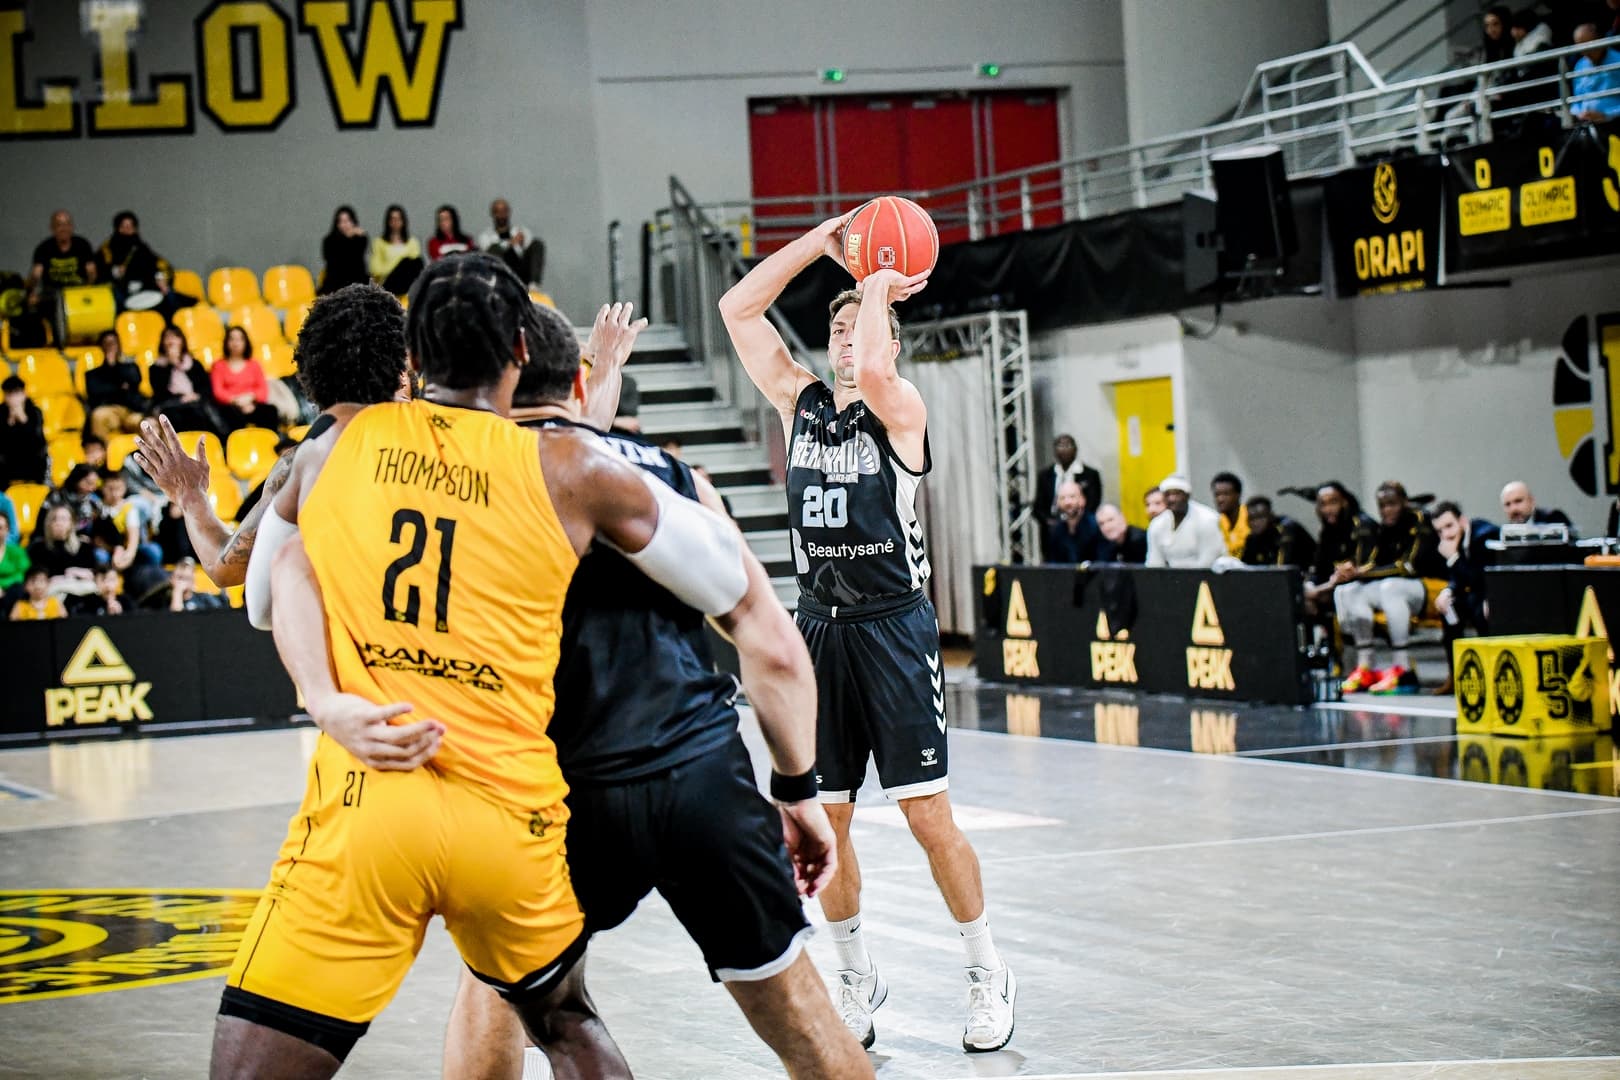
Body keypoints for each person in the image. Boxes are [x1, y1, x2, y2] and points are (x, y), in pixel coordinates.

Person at [211, 252, 804, 1079]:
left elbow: (273, 580)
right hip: (512, 812)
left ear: (414, 365)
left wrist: (323, 697)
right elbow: (737, 596)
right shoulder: (565, 470)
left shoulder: (337, 448)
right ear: (521, 355)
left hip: (370, 801)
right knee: (566, 1024)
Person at [443, 300, 871, 1080]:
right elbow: (774, 648)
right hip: (699, 777)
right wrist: (799, 794)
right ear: (577, 378)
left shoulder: (468, 489)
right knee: (803, 1020)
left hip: (558, 795)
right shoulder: (677, 477)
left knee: (492, 988)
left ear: (499, 384)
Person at [720, 216, 1017, 1055]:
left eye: (861, 328)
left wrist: (882, 280)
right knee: (831, 822)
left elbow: (882, 363)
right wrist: (822, 243)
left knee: (927, 817)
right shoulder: (801, 403)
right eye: (837, 329)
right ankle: (857, 973)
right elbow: (738, 309)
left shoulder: (901, 409)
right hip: (820, 627)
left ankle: (985, 969)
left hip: (894, 627)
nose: (848, 341)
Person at [136, 283, 413, 592]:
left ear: (314, 374)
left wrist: (191, 496)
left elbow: (224, 569)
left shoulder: (301, 465)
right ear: (404, 368)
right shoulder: (448, 441)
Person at [1336, 481, 1443, 695]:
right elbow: (1374, 564)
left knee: (1390, 587)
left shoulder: (1420, 519)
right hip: (1403, 589)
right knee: (1349, 590)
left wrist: (1364, 573)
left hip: (1436, 588)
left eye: (1392, 504)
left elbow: (1409, 566)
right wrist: (1352, 571)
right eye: (1382, 505)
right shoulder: (1385, 529)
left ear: (1404, 502)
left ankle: (1402, 668)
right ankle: (1366, 666)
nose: (1387, 510)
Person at [1430, 500, 1499, 694]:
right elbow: (1458, 579)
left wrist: (1453, 558)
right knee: (1448, 609)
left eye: (1449, 526)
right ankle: (1456, 674)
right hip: (1474, 593)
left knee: (1480, 609)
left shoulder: (1485, 534)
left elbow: (1479, 577)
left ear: (1462, 520)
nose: (1446, 534)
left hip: (1491, 592)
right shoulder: (1452, 542)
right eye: (1439, 530)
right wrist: (1448, 591)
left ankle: (1491, 671)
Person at [98, 210, 194, 319]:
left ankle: (175, 327)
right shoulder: (107, 249)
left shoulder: (142, 248)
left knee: (169, 294)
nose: (127, 230)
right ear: (118, 228)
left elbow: (161, 266)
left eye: (131, 226)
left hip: (148, 289)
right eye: (124, 226)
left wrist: (161, 279)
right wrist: (115, 272)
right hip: (123, 291)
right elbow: (100, 272)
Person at [27, 210, 99, 344]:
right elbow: (36, 274)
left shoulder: (82, 245)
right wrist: (32, 292)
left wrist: (87, 290)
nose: (63, 228)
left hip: (77, 291)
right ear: (52, 228)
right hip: (52, 292)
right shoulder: (44, 248)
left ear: (72, 227)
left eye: (67, 224)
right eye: (59, 225)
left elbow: (92, 273)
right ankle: (55, 343)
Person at [1305, 482, 1375, 619]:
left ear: (1344, 502)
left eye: (1333, 502)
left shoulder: (1362, 525)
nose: (1328, 509)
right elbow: (1319, 569)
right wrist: (1310, 584)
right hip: (1334, 586)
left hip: (1365, 585)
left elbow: (1362, 569)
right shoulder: (1327, 532)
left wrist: (1321, 588)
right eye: (1323, 504)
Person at [150, 325, 222, 435]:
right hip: (172, 405)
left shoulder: (194, 364)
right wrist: (171, 363)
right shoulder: (156, 368)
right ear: (162, 343)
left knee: (204, 411)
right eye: (167, 337)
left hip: (195, 402)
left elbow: (206, 388)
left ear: (182, 341)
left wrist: (195, 395)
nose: (171, 341)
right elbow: (160, 393)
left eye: (175, 337)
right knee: (175, 415)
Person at [1034, 434, 1102, 549]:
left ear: (1075, 449)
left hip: (1082, 527)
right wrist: (1049, 521)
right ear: (1054, 451)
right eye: (1060, 446)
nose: (1064, 449)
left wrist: (1077, 521)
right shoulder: (1045, 475)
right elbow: (1038, 506)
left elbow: (1094, 502)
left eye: (1068, 445)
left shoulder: (1090, 474)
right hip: (1052, 529)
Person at [210, 327, 281, 433]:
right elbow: (218, 392)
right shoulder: (218, 365)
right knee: (229, 415)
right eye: (232, 339)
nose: (235, 343)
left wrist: (250, 398)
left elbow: (263, 391)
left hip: (252, 404)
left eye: (239, 339)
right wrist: (236, 401)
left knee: (270, 410)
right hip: (231, 407)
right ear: (226, 342)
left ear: (245, 342)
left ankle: (271, 444)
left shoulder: (254, 364)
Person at [1144, 475, 1225, 569]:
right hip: (1170, 579)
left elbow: (1207, 563)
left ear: (1187, 496)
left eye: (1177, 494)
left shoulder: (1207, 519)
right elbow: (1154, 563)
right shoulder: (1157, 524)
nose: (1172, 499)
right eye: (1167, 494)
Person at [91, 470, 161, 572]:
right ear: (103, 488)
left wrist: (127, 557)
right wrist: (111, 549)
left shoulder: (128, 508)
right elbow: (96, 539)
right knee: (99, 555)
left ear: (124, 488)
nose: (114, 493)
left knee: (153, 550)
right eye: (110, 489)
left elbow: (133, 540)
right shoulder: (97, 508)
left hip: (126, 548)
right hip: (107, 548)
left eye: (118, 489)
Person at [85, 330, 150, 440]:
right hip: (108, 411)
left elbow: (135, 381)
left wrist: (114, 366)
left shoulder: (130, 367)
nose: (110, 346)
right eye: (107, 343)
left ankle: (154, 455)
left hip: (130, 411)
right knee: (98, 416)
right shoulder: (92, 374)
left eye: (113, 342)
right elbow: (95, 391)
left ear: (119, 345)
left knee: (147, 423)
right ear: (101, 347)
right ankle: (103, 456)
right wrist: (120, 387)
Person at [26, 504, 96, 595]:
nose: (59, 523)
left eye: (64, 519)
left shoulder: (84, 547)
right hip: (51, 592)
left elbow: (91, 574)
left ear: (72, 523)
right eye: (54, 519)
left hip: (79, 592)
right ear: (48, 523)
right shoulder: (38, 548)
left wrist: (75, 571)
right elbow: (36, 576)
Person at [479, 198, 546, 288]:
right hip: (502, 273)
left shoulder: (521, 231)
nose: (501, 214)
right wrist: (510, 243)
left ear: (509, 212)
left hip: (522, 272)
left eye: (504, 210)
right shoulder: (485, 236)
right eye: (497, 211)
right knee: (494, 250)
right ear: (492, 214)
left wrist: (522, 243)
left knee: (537, 244)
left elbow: (532, 251)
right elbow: (488, 253)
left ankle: (534, 286)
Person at [1240, 495, 1316, 569]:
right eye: (1251, 519)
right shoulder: (1252, 539)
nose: (1255, 523)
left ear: (1271, 516)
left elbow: (1281, 568)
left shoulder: (1286, 529)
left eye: (1260, 517)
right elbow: (1245, 568)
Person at [1, 375, 48, 486]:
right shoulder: (1, 413)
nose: (13, 398)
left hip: (32, 461)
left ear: (23, 394)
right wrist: (9, 423)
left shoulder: (34, 412)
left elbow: (38, 441)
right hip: (8, 463)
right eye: (9, 394)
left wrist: (23, 419)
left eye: (16, 393)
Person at [369, 204, 424, 295]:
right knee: (405, 261)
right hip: (388, 283)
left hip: (407, 284)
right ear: (388, 221)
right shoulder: (379, 242)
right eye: (392, 219)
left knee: (414, 261)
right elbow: (376, 269)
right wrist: (395, 267)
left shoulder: (412, 242)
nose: (395, 222)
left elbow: (416, 267)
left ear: (403, 221)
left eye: (398, 219)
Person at [1571, 23, 1620, 122]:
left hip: (1614, 121)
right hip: (1585, 123)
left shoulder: (1618, 61)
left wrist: (1607, 115)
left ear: (1600, 39)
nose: (1586, 52)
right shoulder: (1580, 65)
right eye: (1581, 48)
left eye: (1588, 46)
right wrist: (1579, 113)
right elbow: (1576, 101)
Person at [41, 464, 104, 539]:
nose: (92, 488)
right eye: (88, 482)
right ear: (76, 478)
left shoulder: (94, 503)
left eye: (94, 484)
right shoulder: (55, 496)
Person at [1044, 480, 1100, 564]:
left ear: (1082, 500)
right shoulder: (1056, 531)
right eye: (1062, 498)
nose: (1067, 502)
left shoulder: (1096, 527)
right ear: (1058, 503)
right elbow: (1053, 565)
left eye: (1072, 497)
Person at [319, 205, 370, 295]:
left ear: (353, 222)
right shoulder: (329, 241)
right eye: (341, 221)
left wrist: (356, 237)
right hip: (335, 283)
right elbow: (336, 264)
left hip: (357, 282)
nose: (345, 224)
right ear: (337, 224)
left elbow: (357, 262)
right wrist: (347, 239)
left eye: (347, 221)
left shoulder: (360, 239)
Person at [1500, 480, 1575, 531]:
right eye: (1507, 504)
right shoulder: (1507, 532)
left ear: (1531, 501)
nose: (1513, 508)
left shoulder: (1553, 517)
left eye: (1518, 501)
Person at [1211, 472, 1249, 557]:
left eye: (1226, 494)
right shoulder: (1217, 522)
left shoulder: (1250, 518)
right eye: (1217, 495)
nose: (1220, 499)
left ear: (1238, 495)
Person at [0, 514, 28, 592]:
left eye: (0, 528)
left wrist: (2, 588)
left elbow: (22, 576)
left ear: (7, 530)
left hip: (12, 593)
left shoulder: (18, 552)